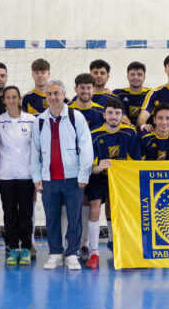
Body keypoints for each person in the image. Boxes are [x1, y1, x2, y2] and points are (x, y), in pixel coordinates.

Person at [30, 80, 93, 270]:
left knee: (74, 217)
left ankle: (72, 253)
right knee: (52, 218)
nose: (52, 97)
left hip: (73, 178)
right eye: (49, 94)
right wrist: (36, 177)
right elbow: (35, 151)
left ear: (64, 95)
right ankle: (55, 252)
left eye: (56, 93)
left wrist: (84, 174)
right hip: (49, 179)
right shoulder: (40, 121)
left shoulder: (76, 117)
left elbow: (86, 147)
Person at [88, 98, 141, 268]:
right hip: (98, 177)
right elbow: (88, 164)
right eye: (110, 113)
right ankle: (94, 252)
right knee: (95, 207)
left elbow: (136, 161)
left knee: (115, 207)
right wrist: (97, 167)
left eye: (117, 113)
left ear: (122, 115)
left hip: (120, 178)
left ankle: (115, 244)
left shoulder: (130, 133)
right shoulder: (94, 133)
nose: (113, 116)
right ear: (104, 115)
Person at [69, 73, 108, 262]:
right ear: (76, 89)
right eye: (82, 87)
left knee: (90, 205)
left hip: (95, 168)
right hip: (72, 167)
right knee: (74, 208)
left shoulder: (102, 112)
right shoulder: (66, 110)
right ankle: (74, 245)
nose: (85, 91)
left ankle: (86, 244)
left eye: (88, 87)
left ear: (94, 90)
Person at [0, 86, 36, 265]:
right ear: (4, 100)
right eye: (8, 98)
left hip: (26, 175)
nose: (11, 100)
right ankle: (13, 248)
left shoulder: (31, 120)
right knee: (9, 213)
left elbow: (37, 149)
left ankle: (26, 248)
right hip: (5, 175)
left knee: (26, 213)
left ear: (19, 99)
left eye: (14, 97)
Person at [113, 62, 151, 126]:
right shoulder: (118, 93)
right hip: (125, 132)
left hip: (145, 132)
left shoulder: (151, 94)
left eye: (139, 74)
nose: (136, 77)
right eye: (132, 74)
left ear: (144, 77)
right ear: (127, 76)